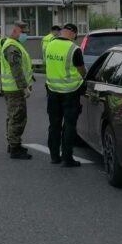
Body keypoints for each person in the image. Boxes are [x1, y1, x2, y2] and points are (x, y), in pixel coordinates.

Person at [45, 23, 86, 167]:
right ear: (73, 33)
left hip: (52, 91)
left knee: (54, 125)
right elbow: (81, 70)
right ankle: (67, 158)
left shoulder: (50, 45)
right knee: (69, 125)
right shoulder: (74, 49)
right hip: (70, 92)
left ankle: (54, 156)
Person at [0, 21, 34, 160]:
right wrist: (24, 87)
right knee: (18, 118)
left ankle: (13, 144)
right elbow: (16, 70)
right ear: (15, 31)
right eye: (23, 33)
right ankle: (15, 147)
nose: (25, 35)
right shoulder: (12, 47)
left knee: (12, 117)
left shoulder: (14, 45)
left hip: (11, 88)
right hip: (14, 89)